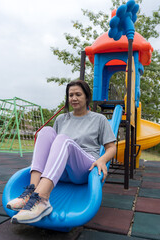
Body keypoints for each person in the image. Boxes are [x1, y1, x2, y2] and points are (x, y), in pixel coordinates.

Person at [7, 80, 117, 224]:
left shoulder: (99, 119)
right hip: (61, 172)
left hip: (83, 169)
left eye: (78, 94)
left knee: (63, 139)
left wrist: (102, 160)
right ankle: (31, 191)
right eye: (71, 95)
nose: (74, 98)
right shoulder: (61, 119)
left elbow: (112, 147)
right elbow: (54, 147)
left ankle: (42, 199)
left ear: (87, 96)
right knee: (46, 131)